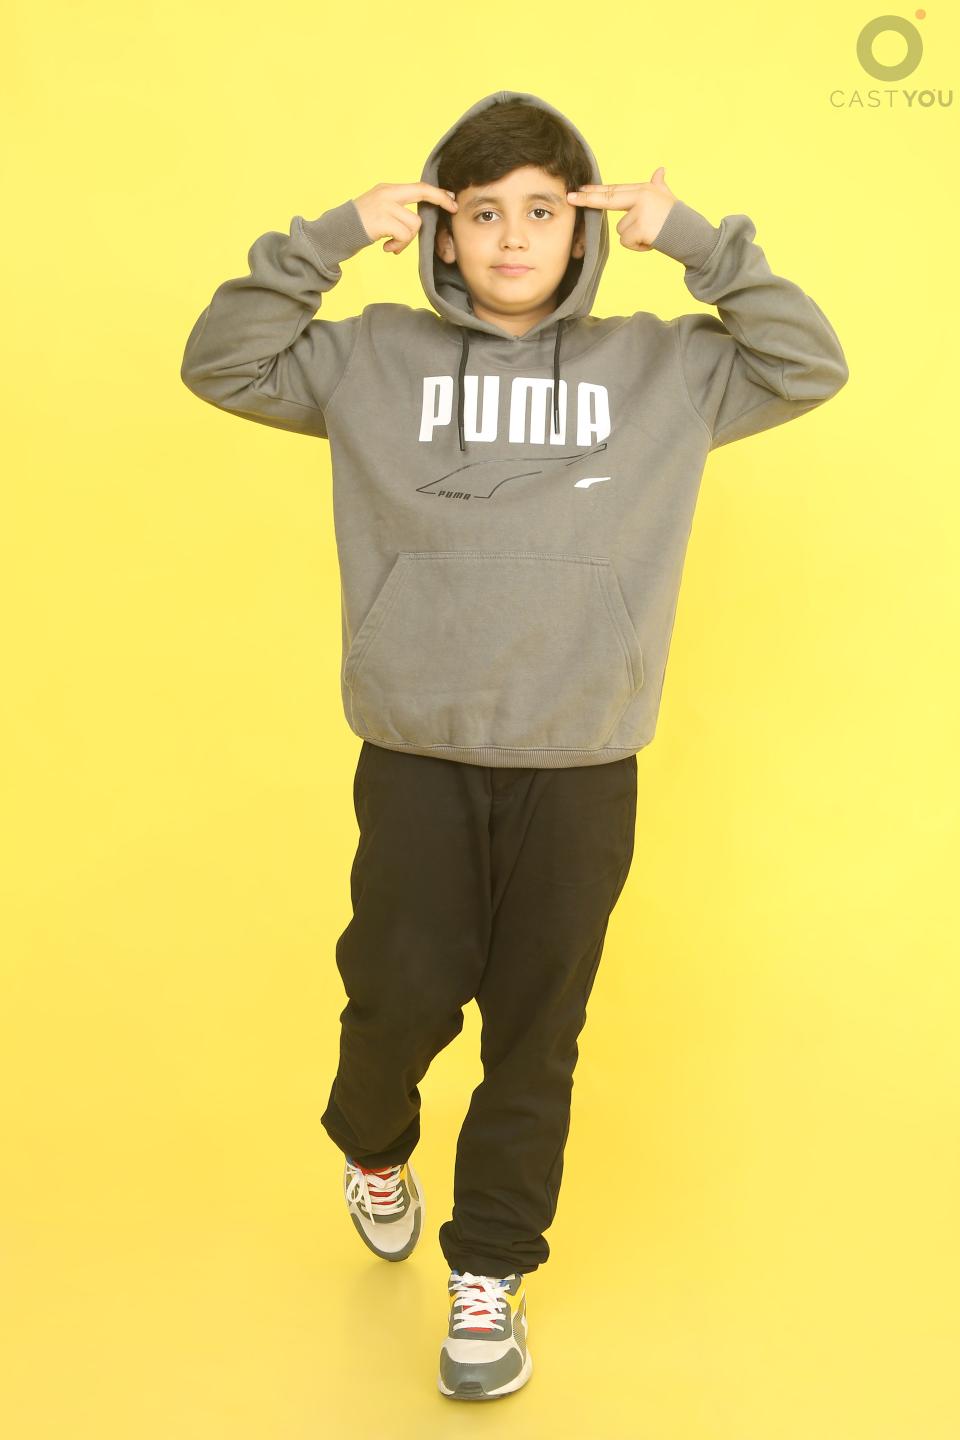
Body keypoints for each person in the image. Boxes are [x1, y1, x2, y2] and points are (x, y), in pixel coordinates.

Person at [180, 88, 849, 1402]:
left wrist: (695, 239)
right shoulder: (371, 359)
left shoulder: (665, 369)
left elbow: (809, 364)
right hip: (419, 745)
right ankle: (376, 1145)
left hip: (582, 756)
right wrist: (333, 232)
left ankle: (489, 1272)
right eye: (482, 212)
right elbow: (223, 361)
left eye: (542, 210)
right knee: (397, 999)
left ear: (583, 230)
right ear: (442, 232)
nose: (512, 237)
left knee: (537, 1030)